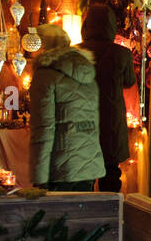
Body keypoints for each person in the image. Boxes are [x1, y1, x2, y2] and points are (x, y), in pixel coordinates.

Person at [29, 23, 105, 191]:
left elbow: (43, 129)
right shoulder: (86, 71)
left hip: (60, 168)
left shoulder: (45, 76)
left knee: (56, 216)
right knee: (82, 216)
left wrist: (39, 178)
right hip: (89, 164)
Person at [81, 4, 136, 193]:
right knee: (111, 175)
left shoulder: (75, 53)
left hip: (83, 119)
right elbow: (129, 82)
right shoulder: (122, 54)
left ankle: (86, 219)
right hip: (111, 121)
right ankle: (110, 219)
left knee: (84, 176)